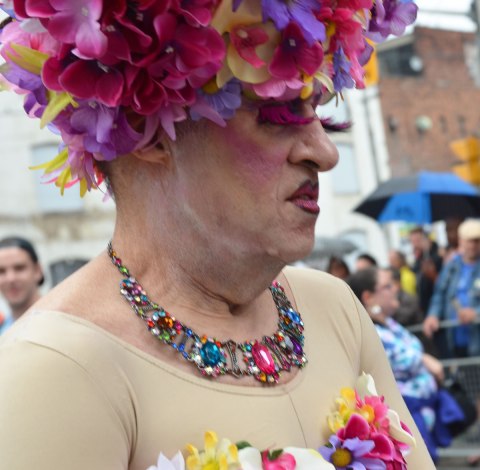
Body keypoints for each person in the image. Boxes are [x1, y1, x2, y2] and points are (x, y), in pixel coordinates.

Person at [0, 1, 433, 469]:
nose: (324, 152)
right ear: (151, 134)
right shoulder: (56, 367)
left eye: (321, 116)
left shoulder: (335, 308)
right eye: (279, 114)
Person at [347, 267, 466, 463]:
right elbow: (407, 359)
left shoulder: (389, 324)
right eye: (387, 286)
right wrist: (425, 359)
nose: (395, 289)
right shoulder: (371, 333)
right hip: (406, 417)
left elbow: (411, 352)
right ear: (368, 297)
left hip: (424, 412)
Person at [423, 219, 480, 359]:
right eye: (469, 240)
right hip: (455, 337)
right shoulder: (451, 266)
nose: (473, 245)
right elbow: (439, 294)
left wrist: (476, 313)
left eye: (476, 240)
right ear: (461, 241)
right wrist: (433, 315)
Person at [0, 237, 44, 334]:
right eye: (1, 271)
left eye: (19, 268)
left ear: (38, 270)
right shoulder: (3, 329)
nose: (11, 278)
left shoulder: (61, 321)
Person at [409, 227, 443, 317]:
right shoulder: (419, 259)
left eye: (417, 240)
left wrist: (433, 275)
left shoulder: (438, 255)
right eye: (412, 242)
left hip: (436, 302)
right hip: (425, 304)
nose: (415, 245)